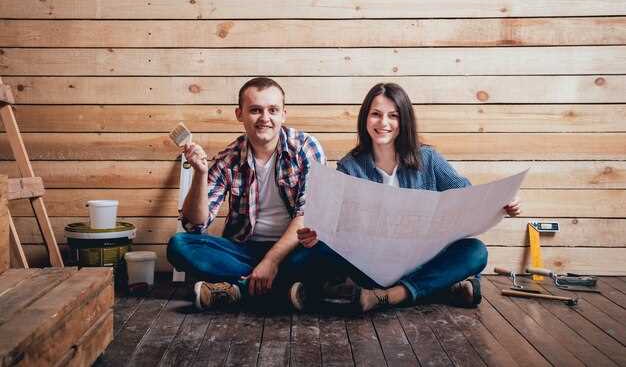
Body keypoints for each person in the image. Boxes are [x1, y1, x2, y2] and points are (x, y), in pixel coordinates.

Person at [294, 83, 521, 312]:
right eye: (375, 114)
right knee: (302, 258)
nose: (383, 123)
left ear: (404, 121)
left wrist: (502, 204)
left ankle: (388, 296)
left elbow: (469, 197)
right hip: (373, 265)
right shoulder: (350, 166)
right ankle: (439, 290)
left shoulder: (428, 158)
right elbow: (336, 223)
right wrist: (317, 235)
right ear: (365, 118)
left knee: (476, 252)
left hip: (423, 260)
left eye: (393, 116)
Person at [167, 77, 326, 310]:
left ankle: (238, 291)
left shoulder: (305, 148)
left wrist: (271, 261)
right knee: (179, 245)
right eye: (255, 110)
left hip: (293, 250)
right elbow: (195, 224)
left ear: (284, 114)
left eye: (273, 110)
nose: (265, 118)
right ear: (239, 114)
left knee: (329, 251)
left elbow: (308, 213)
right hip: (244, 251)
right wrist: (200, 174)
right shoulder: (228, 158)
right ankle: (284, 291)